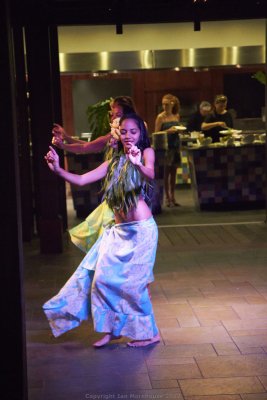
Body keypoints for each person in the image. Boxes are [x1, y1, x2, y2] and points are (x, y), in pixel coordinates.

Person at [43, 113, 160, 348]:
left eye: (133, 132)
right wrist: (57, 169)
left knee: (133, 286)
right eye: (124, 131)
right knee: (102, 281)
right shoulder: (113, 162)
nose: (128, 136)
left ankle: (151, 333)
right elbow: (82, 180)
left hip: (141, 231)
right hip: (119, 231)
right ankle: (111, 330)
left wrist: (137, 163)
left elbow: (150, 173)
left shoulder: (146, 153)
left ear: (141, 134)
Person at [53, 96, 138, 254]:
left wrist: (64, 142)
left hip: (129, 194)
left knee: (123, 240)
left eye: (117, 114)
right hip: (114, 192)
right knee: (108, 239)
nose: (113, 117)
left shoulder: (135, 142)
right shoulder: (112, 139)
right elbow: (86, 147)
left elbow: (148, 171)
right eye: (112, 114)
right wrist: (64, 141)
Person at [154, 93, 181, 208]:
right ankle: (167, 198)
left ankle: (173, 196)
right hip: (165, 147)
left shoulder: (176, 116)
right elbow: (155, 133)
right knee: (166, 173)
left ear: (172, 104)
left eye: (167, 104)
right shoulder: (160, 117)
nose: (164, 107)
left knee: (174, 172)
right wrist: (168, 131)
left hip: (175, 146)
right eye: (163, 104)